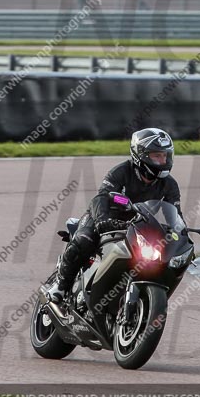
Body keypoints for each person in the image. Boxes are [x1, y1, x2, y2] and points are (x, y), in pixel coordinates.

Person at [48, 128, 183, 303]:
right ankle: (60, 285)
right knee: (84, 240)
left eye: (165, 156)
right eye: (157, 155)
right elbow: (102, 198)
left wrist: (181, 236)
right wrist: (102, 220)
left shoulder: (169, 185)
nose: (163, 160)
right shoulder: (121, 172)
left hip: (138, 226)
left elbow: (175, 215)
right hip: (103, 218)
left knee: (159, 258)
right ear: (141, 155)